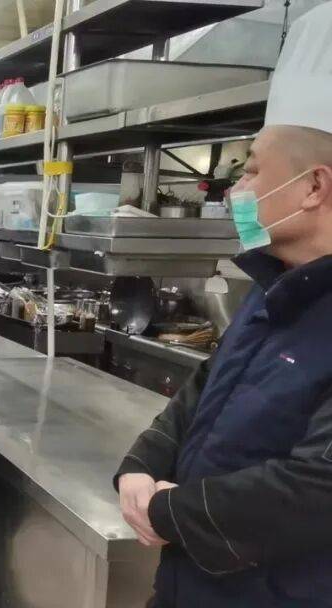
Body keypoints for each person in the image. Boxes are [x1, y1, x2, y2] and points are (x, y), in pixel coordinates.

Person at [115, 6, 332, 606]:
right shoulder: (272, 289)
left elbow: (318, 486)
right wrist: (140, 465)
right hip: (187, 585)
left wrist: (170, 513)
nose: (237, 190)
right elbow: (202, 391)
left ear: (314, 187)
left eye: (253, 170)